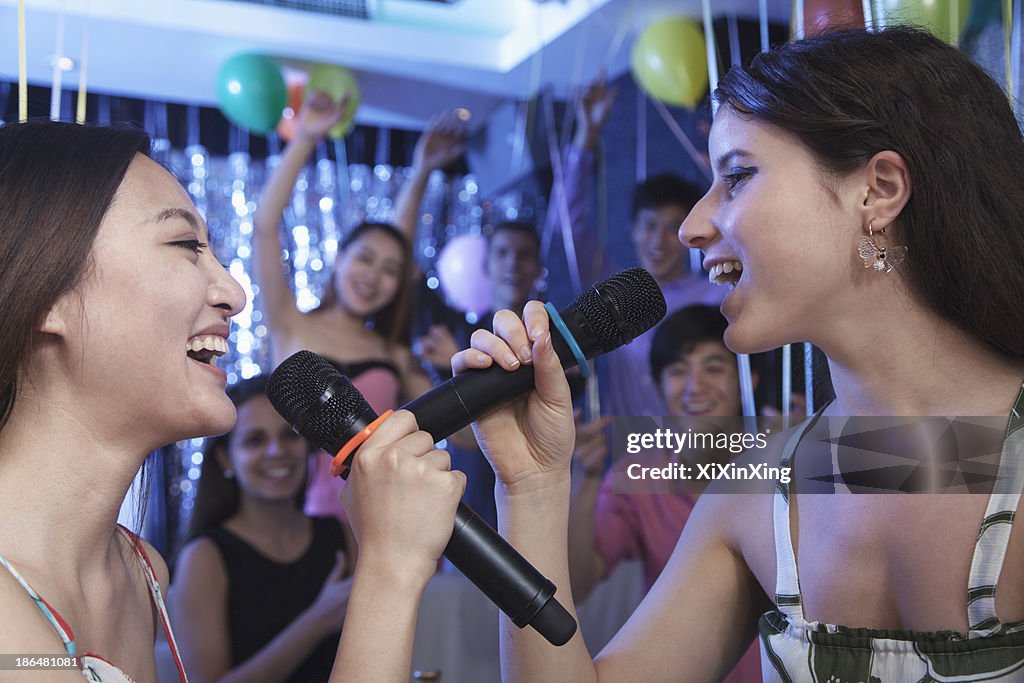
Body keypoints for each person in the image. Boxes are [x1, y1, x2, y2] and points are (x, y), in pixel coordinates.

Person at [435, 27, 1024, 681]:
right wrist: (533, 486)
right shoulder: (755, 489)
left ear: (878, 189)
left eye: (737, 176)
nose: (692, 226)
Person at [0, 119, 464, 683]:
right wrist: (389, 571)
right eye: (185, 246)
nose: (234, 293)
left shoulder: (142, 574)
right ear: (48, 292)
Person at [252, 91, 435, 525]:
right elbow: (264, 227)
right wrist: (306, 138)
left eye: (389, 270)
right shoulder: (290, 323)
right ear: (339, 261)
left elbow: (464, 436)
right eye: (364, 259)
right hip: (293, 527)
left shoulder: (394, 355)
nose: (373, 276)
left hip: (379, 524)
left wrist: (454, 370)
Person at [568, 305, 762, 681]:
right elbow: (577, 583)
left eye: (713, 368)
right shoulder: (638, 474)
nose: (695, 387)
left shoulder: (785, 461)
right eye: (677, 371)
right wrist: (585, 477)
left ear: (748, 380)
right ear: (658, 388)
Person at [394, 113, 545, 526]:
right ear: (486, 264)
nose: (513, 263)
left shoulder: (553, 339)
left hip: (535, 504)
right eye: (502, 253)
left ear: (538, 268)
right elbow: (398, 262)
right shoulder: (456, 326)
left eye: (524, 254)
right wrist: (422, 170)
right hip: (463, 510)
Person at [556, 74, 724, 418]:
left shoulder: (715, 296)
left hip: (705, 451)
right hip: (630, 456)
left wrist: (724, 178)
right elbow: (570, 224)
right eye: (649, 226)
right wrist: (586, 135)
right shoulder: (609, 294)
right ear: (632, 230)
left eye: (673, 227)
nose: (659, 241)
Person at [171, 377, 356, 683]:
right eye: (255, 440)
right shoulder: (204, 558)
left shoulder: (341, 535)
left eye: (289, 435)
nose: (276, 451)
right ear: (226, 458)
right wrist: (316, 622)